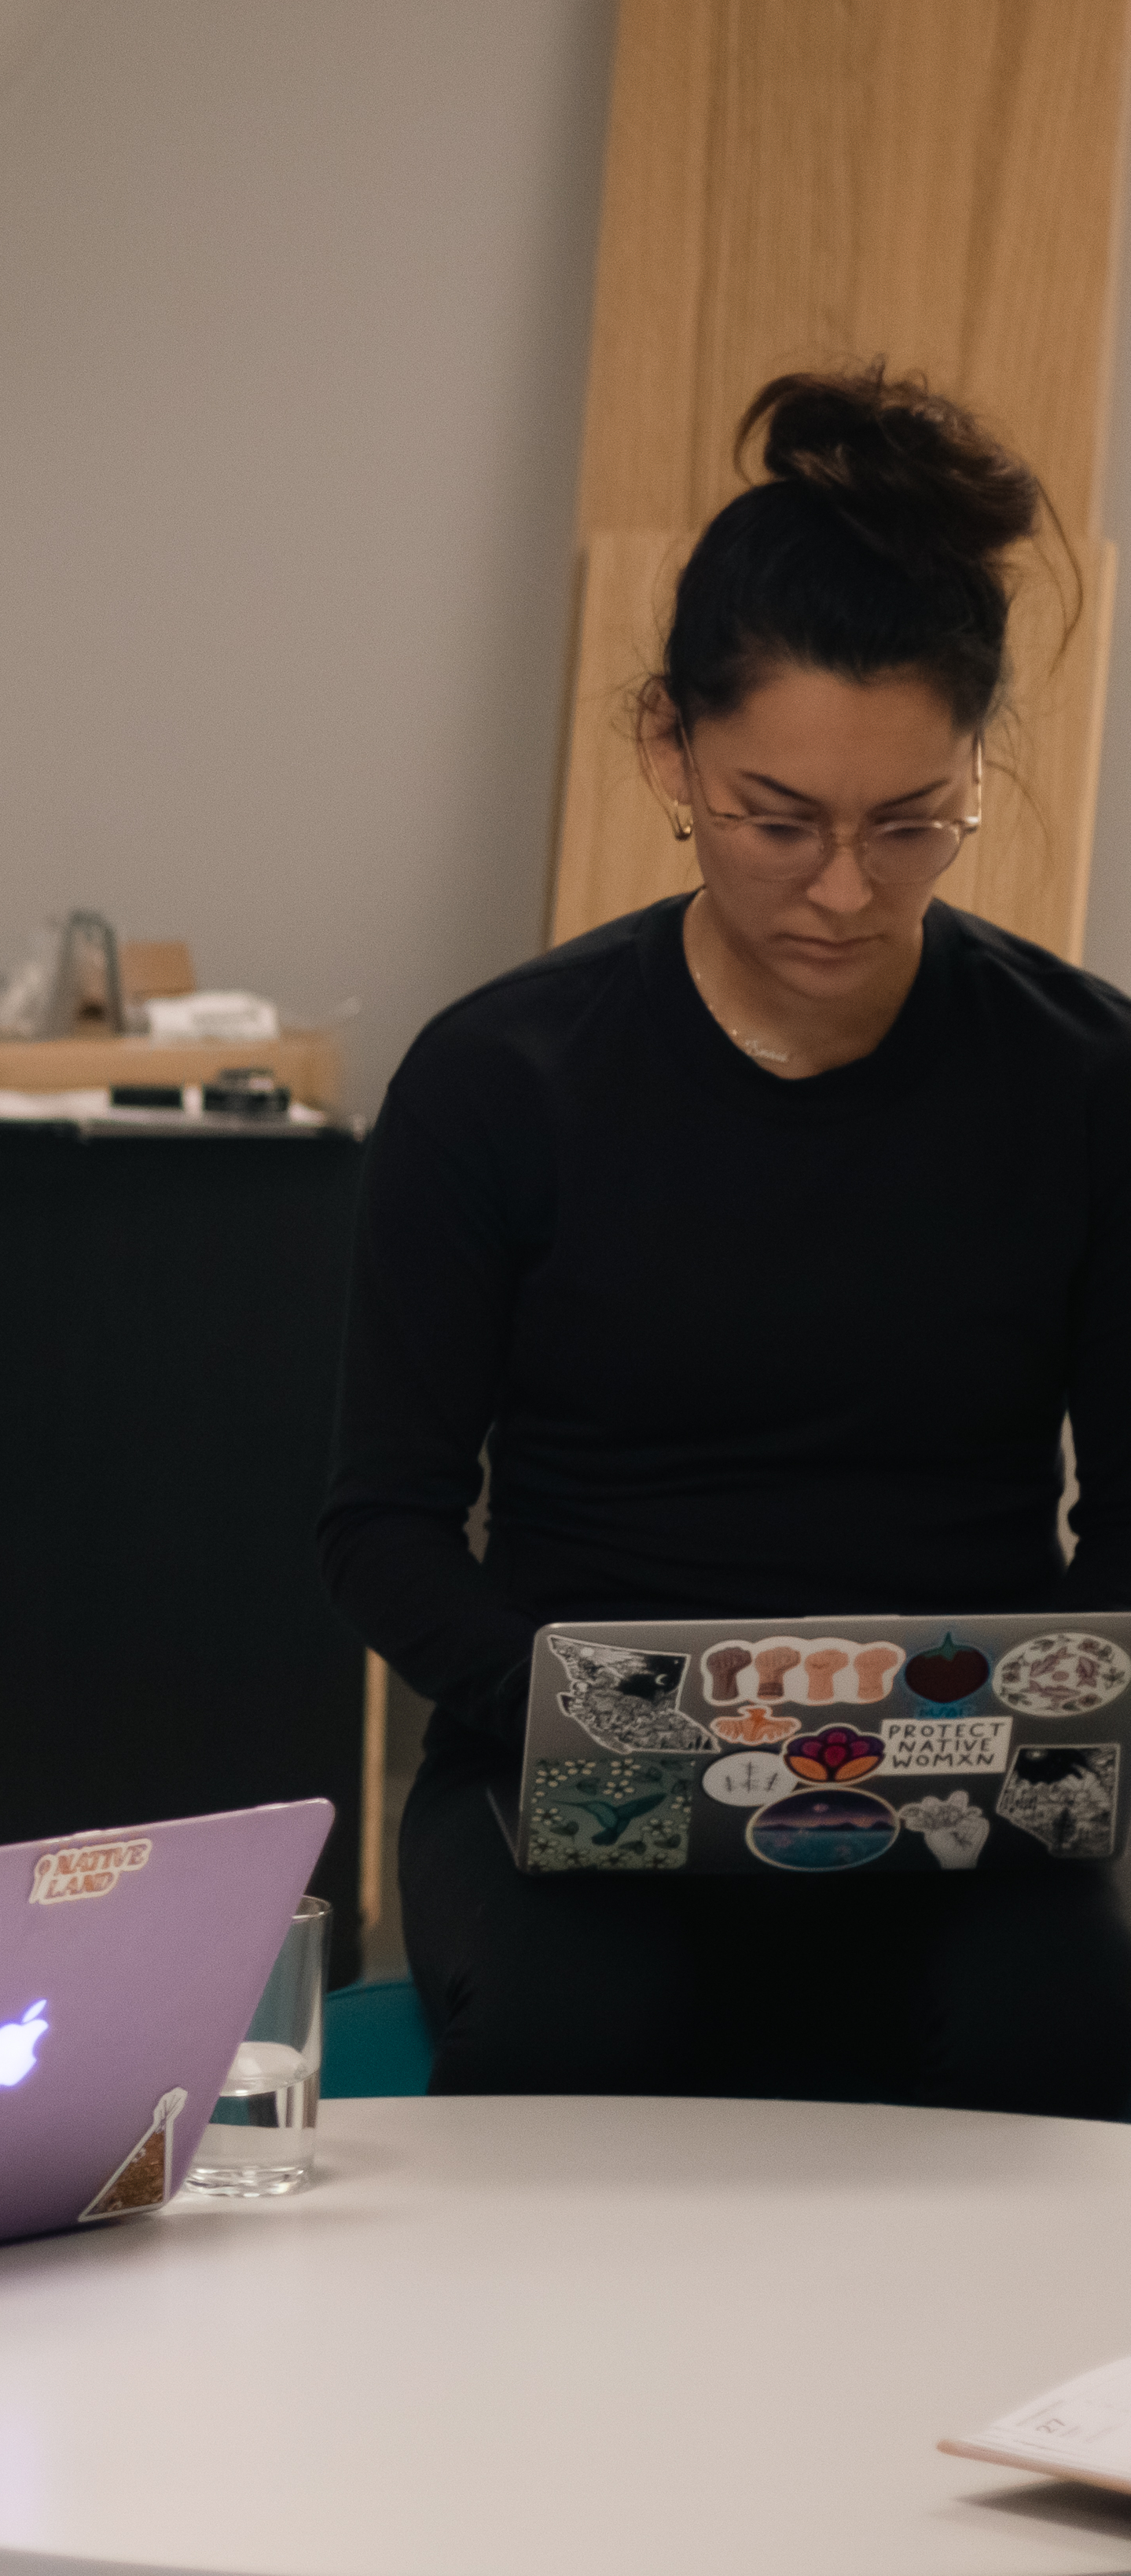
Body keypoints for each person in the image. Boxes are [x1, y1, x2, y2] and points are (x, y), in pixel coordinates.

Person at [323, 368, 1131, 2113]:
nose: (846, 884)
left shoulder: (1085, 1079)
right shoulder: (501, 1078)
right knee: (583, 2040)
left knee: (1058, 2031)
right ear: (667, 752)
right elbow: (384, 1519)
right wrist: (598, 1714)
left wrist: (1021, 1727)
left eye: (912, 822)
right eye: (781, 818)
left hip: (958, 1786)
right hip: (565, 1776)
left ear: (975, 772)